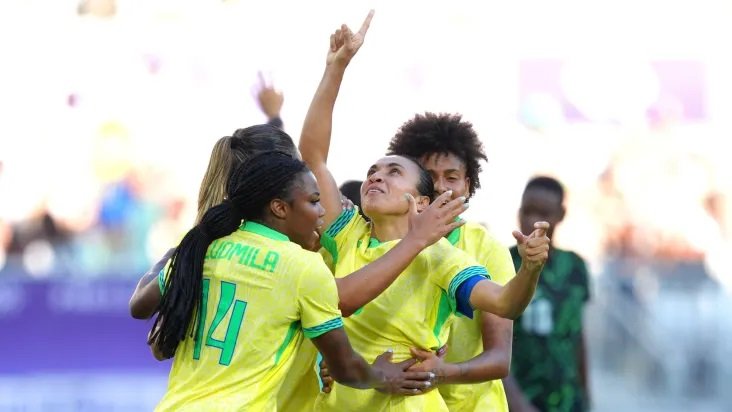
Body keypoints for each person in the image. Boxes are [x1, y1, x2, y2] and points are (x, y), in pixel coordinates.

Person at [299, 11, 550, 411]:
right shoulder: (347, 231)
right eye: (372, 172)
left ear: (422, 200)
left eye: (393, 172)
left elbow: (505, 304)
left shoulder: (443, 255)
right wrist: (336, 68)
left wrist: (530, 269)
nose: (376, 178)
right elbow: (314, 156)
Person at [148, 151, 439, 410]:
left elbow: (139, 306)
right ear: (279, 208)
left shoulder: (205, 246)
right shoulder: (302, 267)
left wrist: (164, 262)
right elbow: (346, 367)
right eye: (314, 202)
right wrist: (381, 377)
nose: (322, 211)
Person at [385, 112, 516, 412]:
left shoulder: (487, 249)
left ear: (468, 185)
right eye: (429, 177)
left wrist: (442, 373)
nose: (441, 187)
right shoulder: (381, 240)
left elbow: (500, 359)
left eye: (452, 177)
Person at [503, 176, 591, 412]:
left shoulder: (575, 267)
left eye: (544, 213)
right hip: (518, 400)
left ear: (560, 215)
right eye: (527, 211)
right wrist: (518, 404)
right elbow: (488, 341)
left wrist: (586, 397)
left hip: (567, 400)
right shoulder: (500, 262)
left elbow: (578, 336)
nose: (533, 221)